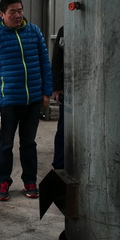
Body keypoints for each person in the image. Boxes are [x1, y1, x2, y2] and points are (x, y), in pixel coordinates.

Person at [0, 0, 52, 201]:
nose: (18, 15)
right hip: (9, 100)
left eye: (20, 10)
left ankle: (30, 181)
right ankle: (4, 182)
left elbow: (44, 63)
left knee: (29, 143)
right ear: (2, 14)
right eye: (13, 12)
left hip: (33, 99)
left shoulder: (34, 32)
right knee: (6, 145)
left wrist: (46, 92)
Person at [52, 26, 65, 170]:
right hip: (68, 88)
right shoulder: (65, 30)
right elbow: (56, 60)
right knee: (64, 126)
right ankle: (59, 163)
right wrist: (56, 87)